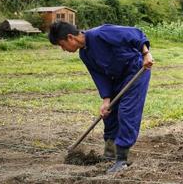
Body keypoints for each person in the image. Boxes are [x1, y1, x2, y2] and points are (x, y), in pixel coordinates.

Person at [48, 21, 154, 173]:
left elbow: (134, 34)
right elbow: (99, 76)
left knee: (126, 111)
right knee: (109, 115)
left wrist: (146, 53)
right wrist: (106, 100)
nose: (63, 49)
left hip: (135, 69)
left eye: (61, 44)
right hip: (116, 78)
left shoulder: (101, 33)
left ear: (70, 37)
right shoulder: (84, 54)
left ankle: (121, 159)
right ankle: (110, 154)